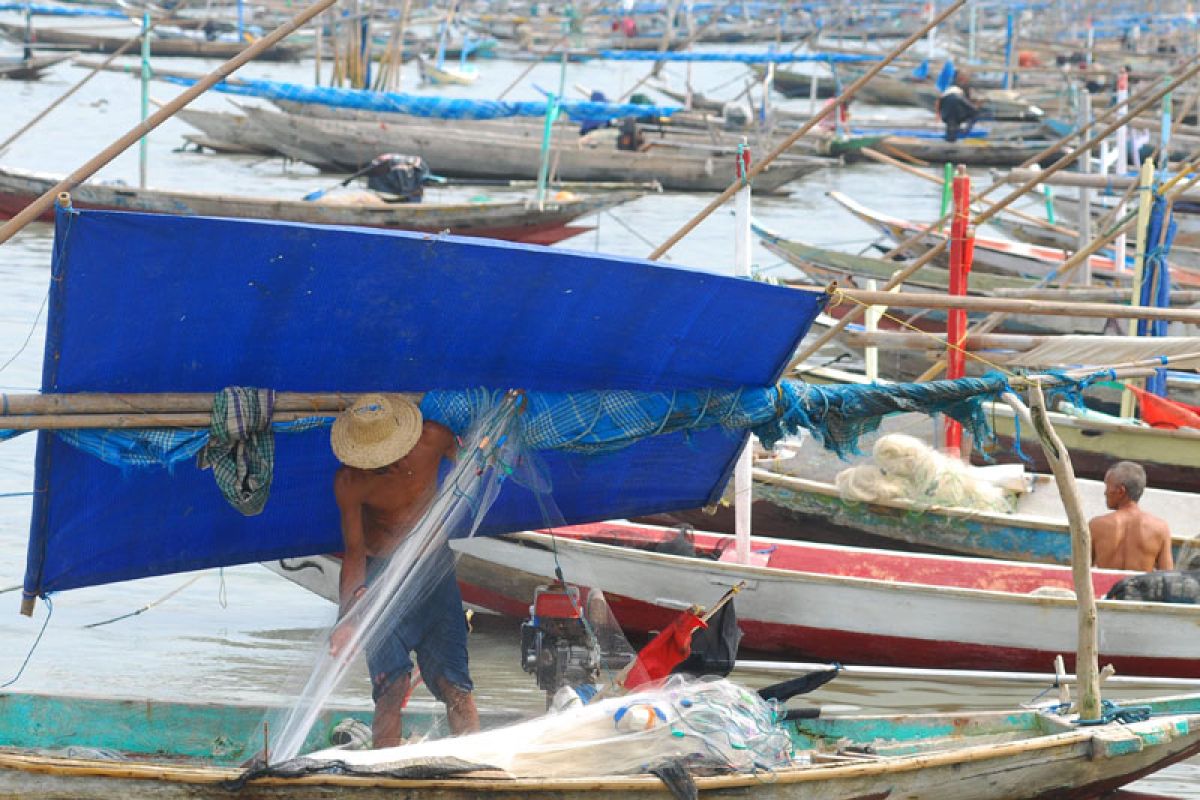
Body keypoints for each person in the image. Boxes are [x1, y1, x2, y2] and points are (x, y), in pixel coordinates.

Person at [330, 394, 479, 747]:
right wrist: (347, 620)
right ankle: (384, 777)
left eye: (385, 459)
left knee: (454, 685)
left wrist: (481, 455)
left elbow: (471, 460)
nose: (379, 468)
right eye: (370, 462)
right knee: (390, 688)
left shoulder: (433, 439)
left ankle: (475, 767)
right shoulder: (351, 482)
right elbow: (354, 554)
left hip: (434, 574)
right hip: (382, 580)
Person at [1089, 461, 1173, 573]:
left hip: (1107, 590)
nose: (1105, 492)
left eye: (1107, 486)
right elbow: (1167, 574)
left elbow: (1079, 569)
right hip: (1141, 590)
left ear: (1120, 491)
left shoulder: (1096, 525)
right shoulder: (1160, 528)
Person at [934, 74, 979, 143]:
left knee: (951, 122)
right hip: (955, 99)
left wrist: (938, 113)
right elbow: (968, 102)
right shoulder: (963, 88)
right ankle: (965, 131)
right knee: (974, 112)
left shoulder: (951, 87)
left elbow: (939, 101)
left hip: (946, 101)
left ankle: (950, 139)